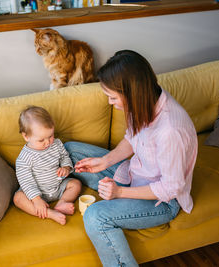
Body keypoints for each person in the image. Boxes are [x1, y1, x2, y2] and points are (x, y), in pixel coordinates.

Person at [64, 50, 198, 266]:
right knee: (70, 151)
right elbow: (131, 138)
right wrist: (105, 161)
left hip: (161, 201)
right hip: (134, 172)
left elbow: (171, 187)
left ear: (131, 92)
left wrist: (119, 192)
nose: (110, 103)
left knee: (95, 217)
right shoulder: (143, 101)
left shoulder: (170, 129)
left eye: (113, 97)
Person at [13, 106, 82, 225]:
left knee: (76, 184)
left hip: (58, 187)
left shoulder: (56, 144)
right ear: (26, 136)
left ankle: (61, 203)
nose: (48, 142)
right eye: (41, 140)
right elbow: (26, 181)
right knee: (18, 198)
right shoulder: (24, 158)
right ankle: (49, 213)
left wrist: (66, 168)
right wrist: (37, 200)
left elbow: (65, 156)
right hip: (37, 193)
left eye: (50, 136)